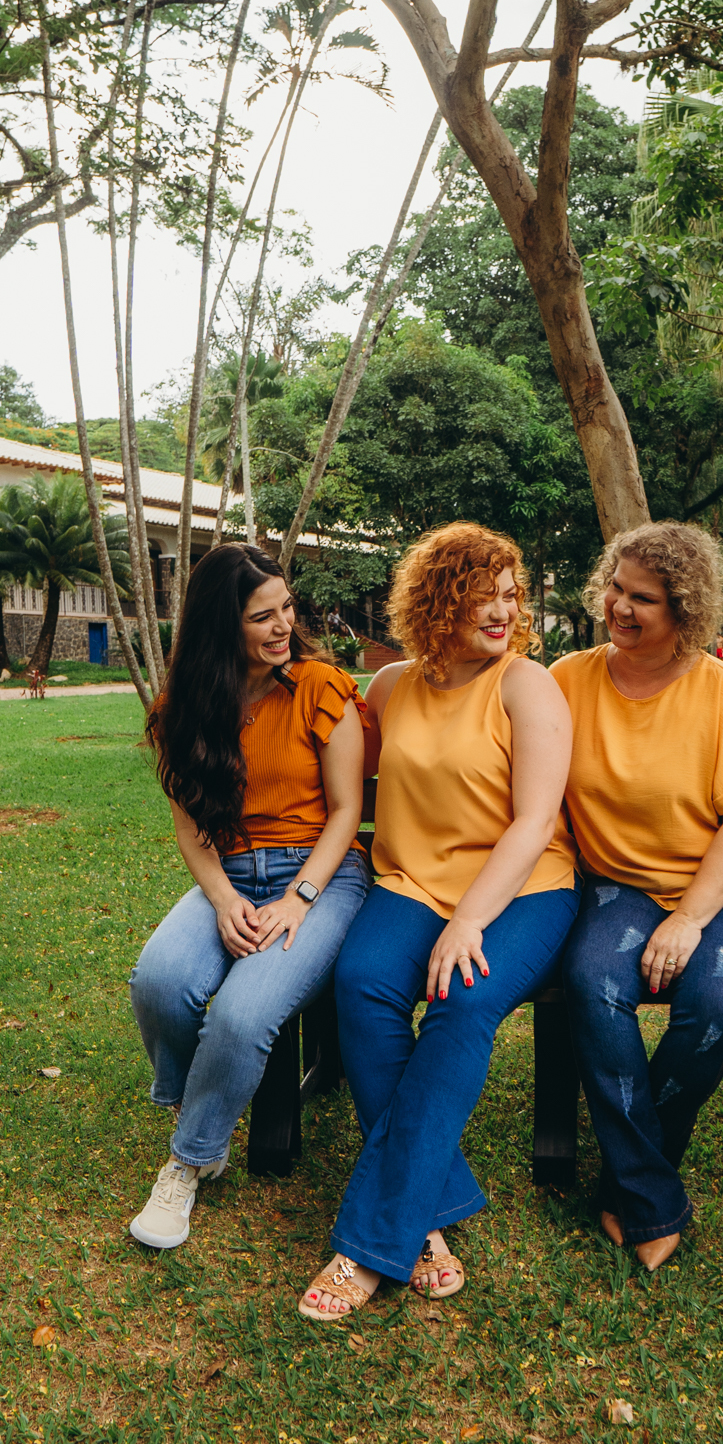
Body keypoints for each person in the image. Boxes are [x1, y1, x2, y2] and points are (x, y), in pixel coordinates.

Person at [298, 523, 579, 1320]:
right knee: (362, 985)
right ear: (437, 600)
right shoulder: (391, 686)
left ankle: (372, 1243)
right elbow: (337, 761)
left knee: (463, 1003)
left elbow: (533, 822)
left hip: (523, 890)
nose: (501, 610)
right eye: (480, 593)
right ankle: (429, 1204)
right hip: (414, 882)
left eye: (511, 593)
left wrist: (470, 924)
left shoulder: (527, 686)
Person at [552, 522, 723, 1272]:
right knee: (592, 986)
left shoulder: (722, 691)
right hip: (617, 883)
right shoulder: (567, 680)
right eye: (615, 588)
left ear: (684, 611)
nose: (619, 607)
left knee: (715, 1009)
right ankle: (650, 1194)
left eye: (643, 599)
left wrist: (689, 918)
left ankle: (630, 1173)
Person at [129, 545, 371, 1249]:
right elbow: (190, 829)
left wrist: (299, 898)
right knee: (160, 982)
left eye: (286, 610)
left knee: (240, 1017)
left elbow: (347, 810)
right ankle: (202, 1102)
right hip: (229, 874)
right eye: (262, 616)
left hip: (321, 876)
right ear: (218, 626)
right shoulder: (183, 709)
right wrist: (224, 896)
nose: (282, 628)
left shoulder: (321, 688)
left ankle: (188, 1160)